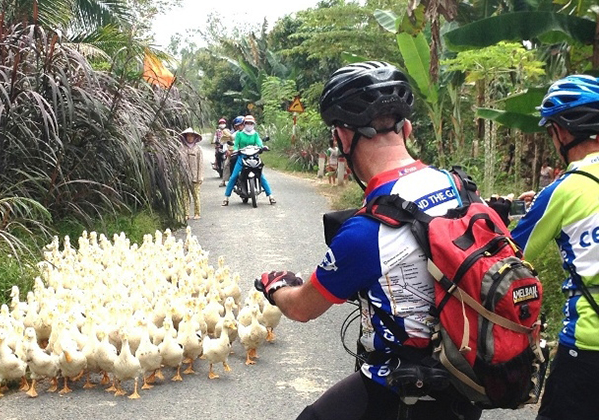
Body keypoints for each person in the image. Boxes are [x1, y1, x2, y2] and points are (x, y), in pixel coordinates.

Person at [256, 61, 482, 420]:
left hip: (402, 389)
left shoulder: (368, 231)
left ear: (342, 138)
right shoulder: (461, 188)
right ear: (406, 128)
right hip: (468, 377)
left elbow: (301, 308)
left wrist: (275, 287)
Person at [491, 75, 599, 420]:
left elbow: (507, 257)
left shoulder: (564, 190)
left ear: (563, 132)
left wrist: (498, 215)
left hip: (587, 348)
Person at [222, 115, 276, 206]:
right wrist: (235, 150)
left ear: (254, 124)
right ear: (244, 124)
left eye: (251, 123)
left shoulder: (255, 134)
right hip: (242, 157)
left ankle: (270, 196)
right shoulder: (239, 134)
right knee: (234, 176)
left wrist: (263, 147)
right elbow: (236, 145)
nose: (249, 125)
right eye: (247, 123)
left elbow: (259, 143)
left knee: (261, 175)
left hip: (254, 157)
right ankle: (226, 197)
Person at [178, 127, 204, 220]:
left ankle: (197, 213)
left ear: (195, 137)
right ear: (185, 137)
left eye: (191, 136)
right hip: (184, 177)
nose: (190, 138)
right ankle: (186, 214)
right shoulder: (181, 148)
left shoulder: (198, 149)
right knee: (185, 196)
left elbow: (200, 163)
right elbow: (178, 163)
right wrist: (179, 176)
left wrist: (200, 177)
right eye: (188, 136)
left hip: (195, 177)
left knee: (196, 195)